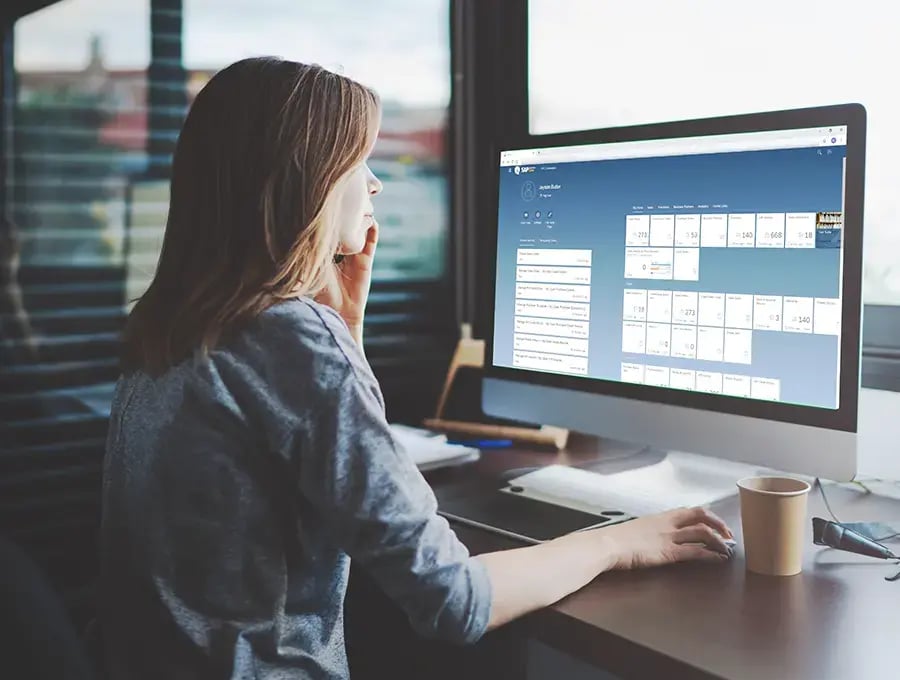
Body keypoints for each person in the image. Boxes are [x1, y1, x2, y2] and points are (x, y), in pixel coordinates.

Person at [100, 57, 734, 680]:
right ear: (308, 179)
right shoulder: (288, 337)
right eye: (358, 162)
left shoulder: (174, 324)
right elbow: (453, 601)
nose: (374, 183)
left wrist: (344, 332)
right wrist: (618, 542)